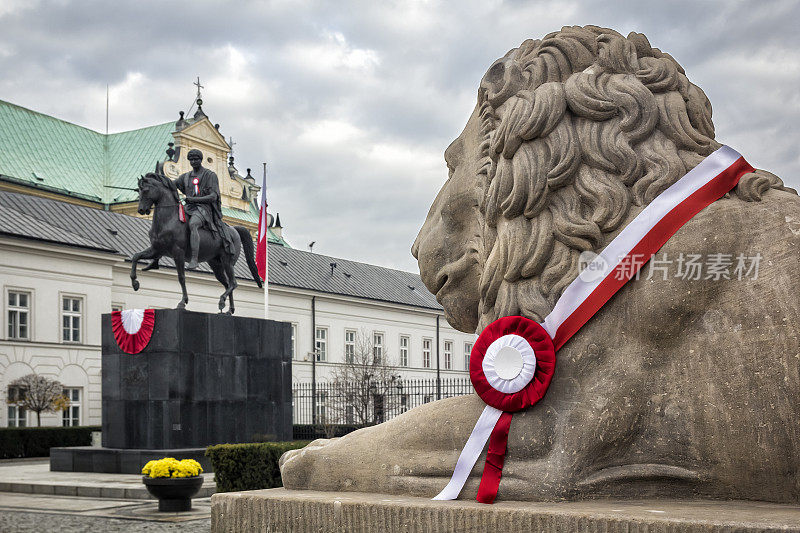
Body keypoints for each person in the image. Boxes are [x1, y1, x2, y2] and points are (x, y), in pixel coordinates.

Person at [176, 149, 232, 268]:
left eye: (196, 159)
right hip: (188, 207)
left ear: (201, 160)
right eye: (191, 159)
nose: (193, 161)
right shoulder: (185, 177)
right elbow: (172, 184)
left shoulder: (210, 175)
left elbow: (213, 196)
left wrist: (194, 200)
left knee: (193, 224)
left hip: (204, 209)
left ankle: (194, 259)